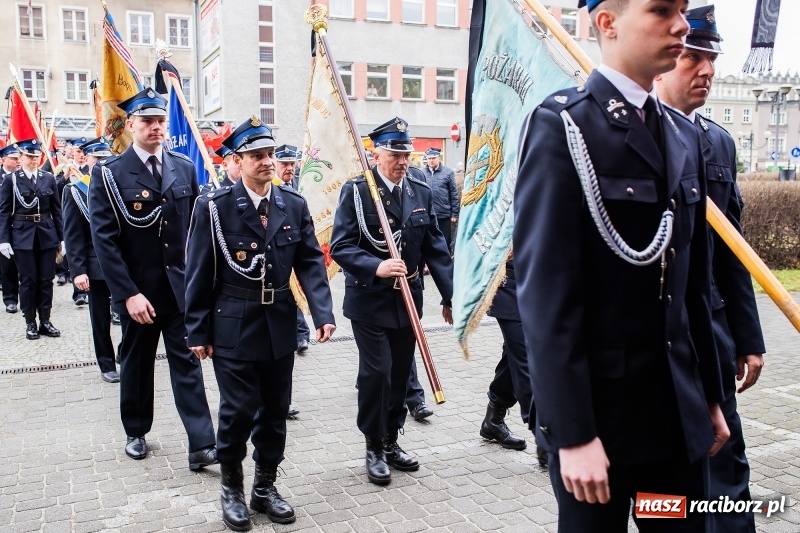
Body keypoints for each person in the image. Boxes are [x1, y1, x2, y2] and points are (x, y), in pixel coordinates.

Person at [513, 1, 729, 531]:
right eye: (661, 9)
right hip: (600, 427)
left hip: (675, 420)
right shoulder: (563, 125)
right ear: (606, 23)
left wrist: (711, 396)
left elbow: (693, 285)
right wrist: (573, 434)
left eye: (682, 9)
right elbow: (546, 295)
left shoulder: (682, 134)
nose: (681, 24)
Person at [185, 117, 335, 530]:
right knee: (237, 410)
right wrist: (197, 329)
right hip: (232, 325)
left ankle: (265, 487)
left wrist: (322, 313)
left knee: (274, 410)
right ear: (238, 160)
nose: (268, 161)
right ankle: (232, 488)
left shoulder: (292, 204)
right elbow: (198, 271)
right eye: (257, 155)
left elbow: (310, 262)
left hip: (279, 323)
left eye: (270, 153)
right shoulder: (214, 207)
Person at [657, 7, 765, 532]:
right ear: (664, 60)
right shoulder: (631, 134)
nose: (707, 70)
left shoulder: (718, 141)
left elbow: (732, 253)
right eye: (693, 58)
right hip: (656, 343)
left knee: (728, 477)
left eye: (712, 59)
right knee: (666, 493)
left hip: (713, 336)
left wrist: (748, 337)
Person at [89, 87, 217, 469]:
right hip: (138, 292)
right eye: (147, 121)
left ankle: (201, 444)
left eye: (161, 120)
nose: (156, 127)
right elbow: (105, 242)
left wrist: (201, 286)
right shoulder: (109, 173)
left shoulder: (184, 167)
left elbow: (195, 232)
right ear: (131, 124)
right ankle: (136, 430)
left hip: (179, 290)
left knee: (188, 364)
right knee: (138, 364)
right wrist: (127, 293)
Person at [330, 116, 454, 486]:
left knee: (400, 372)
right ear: (376, 154)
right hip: (370, 298)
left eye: (406, 154)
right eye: (395, 155)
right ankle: (373, 445)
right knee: (377, 372)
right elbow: (341, 246)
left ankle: (390, 438)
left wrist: (450, 296)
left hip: (409, 298)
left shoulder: (419, 188)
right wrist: (377, 265)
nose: (402, 162)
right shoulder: (357, 191)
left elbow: (435, 245)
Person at [480, 258, 547, 467]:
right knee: (526, 360)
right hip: (508, 286)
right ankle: (544, 436)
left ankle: (493, 418)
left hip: (540, 286)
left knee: (514, 355)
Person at [62, 137, 119, 384]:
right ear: (87, 159)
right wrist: (78, 271)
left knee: (130, 314)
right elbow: (73, 235)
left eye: (106, 158)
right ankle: (106, 363)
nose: (102, 163)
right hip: (95, 264)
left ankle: (125, 353)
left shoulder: (118, 186)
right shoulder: (75, 190)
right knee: (100, 318)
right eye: (98, 158)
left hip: (122, 262)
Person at [0, 139, 63, 340]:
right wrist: (3, 239)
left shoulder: (48, 178)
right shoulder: (11, 180)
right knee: (28, 279)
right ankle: (30, 322)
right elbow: (4, 212)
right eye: (29, 156)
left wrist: (62, 238)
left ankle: (45, 320)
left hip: (46, 233)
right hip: (22, 234)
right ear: (21, 157)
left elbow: (56, 210)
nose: (34, 160)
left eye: (36, 156)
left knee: (46, 279)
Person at [423, 148, 459, 254]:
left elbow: (453, 193)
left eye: (433, 158)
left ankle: (445, 260)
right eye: (429, 158)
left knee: (444, 240)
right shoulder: (421, 173)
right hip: (426, 214)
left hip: (443, 213)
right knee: (428, 240)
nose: (431, 161)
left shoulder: (448, 173)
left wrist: (454, 213)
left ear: (439, 158)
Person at [0, 145, 21, 313]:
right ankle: (10, 299)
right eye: (13, 158)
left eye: (18, 158)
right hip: (2, 224)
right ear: (3, 160)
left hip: (19, 225)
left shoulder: (21, 177)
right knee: (7, 265)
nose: (17, 161)